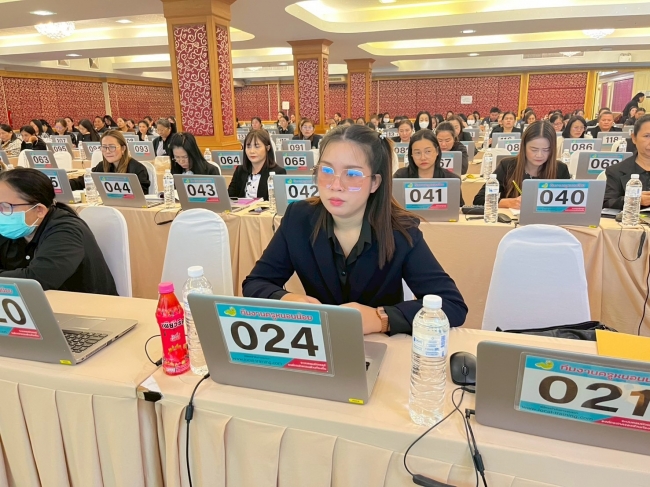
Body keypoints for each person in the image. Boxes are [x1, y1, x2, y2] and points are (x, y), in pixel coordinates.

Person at [242, 124, 467, 335]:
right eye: (326, 170)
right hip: (318, 343)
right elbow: (255, 283)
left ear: (375, 182)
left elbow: (452, 305)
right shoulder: (298, 219)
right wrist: (288, 299)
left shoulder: (401, 230)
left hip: (378, 345)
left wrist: (381, 318)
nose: (335, 185)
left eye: (352, 175)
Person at [0, 168, 117, 294]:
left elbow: (36, 280)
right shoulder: (10, 228)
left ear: (39, 210)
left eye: (5, 207)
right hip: (32, 302)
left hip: (84, 304)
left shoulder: (66, 231)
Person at [473, 120, 571, 208]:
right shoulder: (507, 166)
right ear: (523, 146)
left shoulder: (560, 169)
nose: (539, 155)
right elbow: (479, 200)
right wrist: (508, 203)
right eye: (534, 149)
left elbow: (570, 205)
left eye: (546, 150)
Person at [393, 129, 465, 206]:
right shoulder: (400, 177)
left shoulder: (451, 179)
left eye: (428, 151)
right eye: (417, 153)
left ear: (437, 151)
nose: (423, 157)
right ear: (411, 155)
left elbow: (458, 209)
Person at [69, 130, 150, 194]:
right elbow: (82, 182)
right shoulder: (102, 166)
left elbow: (143, 195)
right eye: (104, 147)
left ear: (123, 149)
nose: (107, 151)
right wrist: (64, 184)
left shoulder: (137, 169)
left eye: (112, 147)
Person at [603, 115, 650, 209]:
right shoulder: (616, 171)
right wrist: (633, 200)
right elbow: (607, 202)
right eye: (647, 136)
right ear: (634, 138)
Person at [228, 129, 286, 200]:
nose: (252, 151)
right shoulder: (240, 170)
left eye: (257, 146)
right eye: (248, 146)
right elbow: (230, 197)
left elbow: (279, 201)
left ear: (267, 148)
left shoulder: (278, 172)